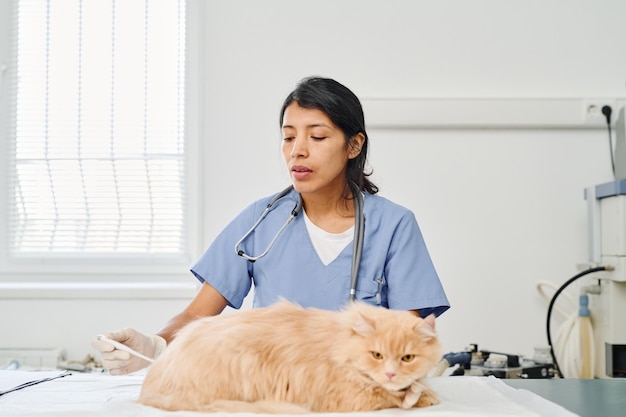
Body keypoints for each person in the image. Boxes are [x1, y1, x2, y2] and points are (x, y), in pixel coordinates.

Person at [92, 76, 450, 375]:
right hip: (272, 389)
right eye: (289, 136)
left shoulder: (394, 225)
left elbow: (407, 338)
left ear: (354, 145)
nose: (297, 150)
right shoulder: (259, 221)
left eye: (318, 137)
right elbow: (197, 314)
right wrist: (153, 346)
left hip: (358, 394)